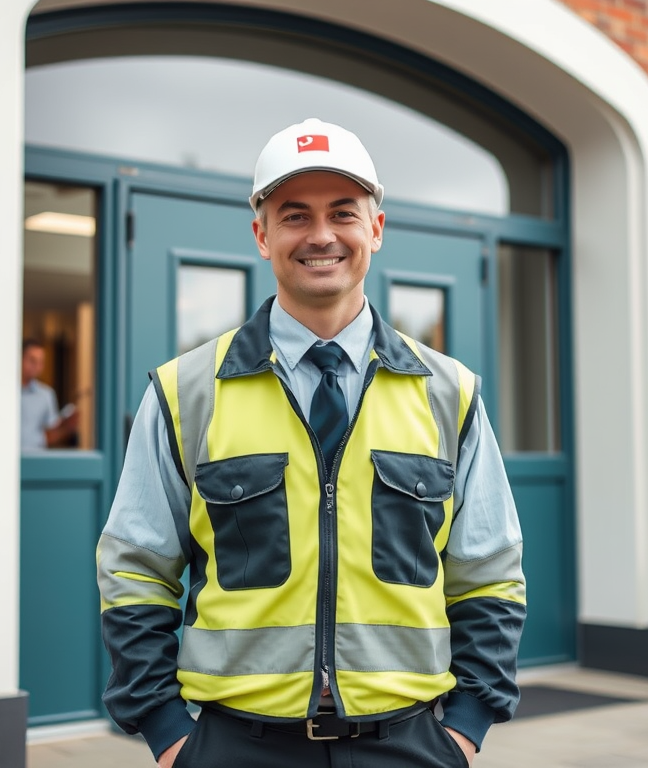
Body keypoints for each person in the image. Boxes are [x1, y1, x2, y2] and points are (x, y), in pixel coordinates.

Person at [97, 118, 526, 767]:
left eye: (343, 213)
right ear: (261, 235)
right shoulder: (186, 393)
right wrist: (167, 733)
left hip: (409, 745)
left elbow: (489, 575)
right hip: (234, 746)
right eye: (295, 215)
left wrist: (465, 728)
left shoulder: (450, 393)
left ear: (375, 230)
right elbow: (134, 572)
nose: (321, 235)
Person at [20, 338, 79, 451]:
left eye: (40, 362)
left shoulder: (46, 395)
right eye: (32, 360)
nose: (37, 366)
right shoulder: (4, 393)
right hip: (6, 461)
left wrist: (66, 426)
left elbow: (51, 435)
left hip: (36, 458)